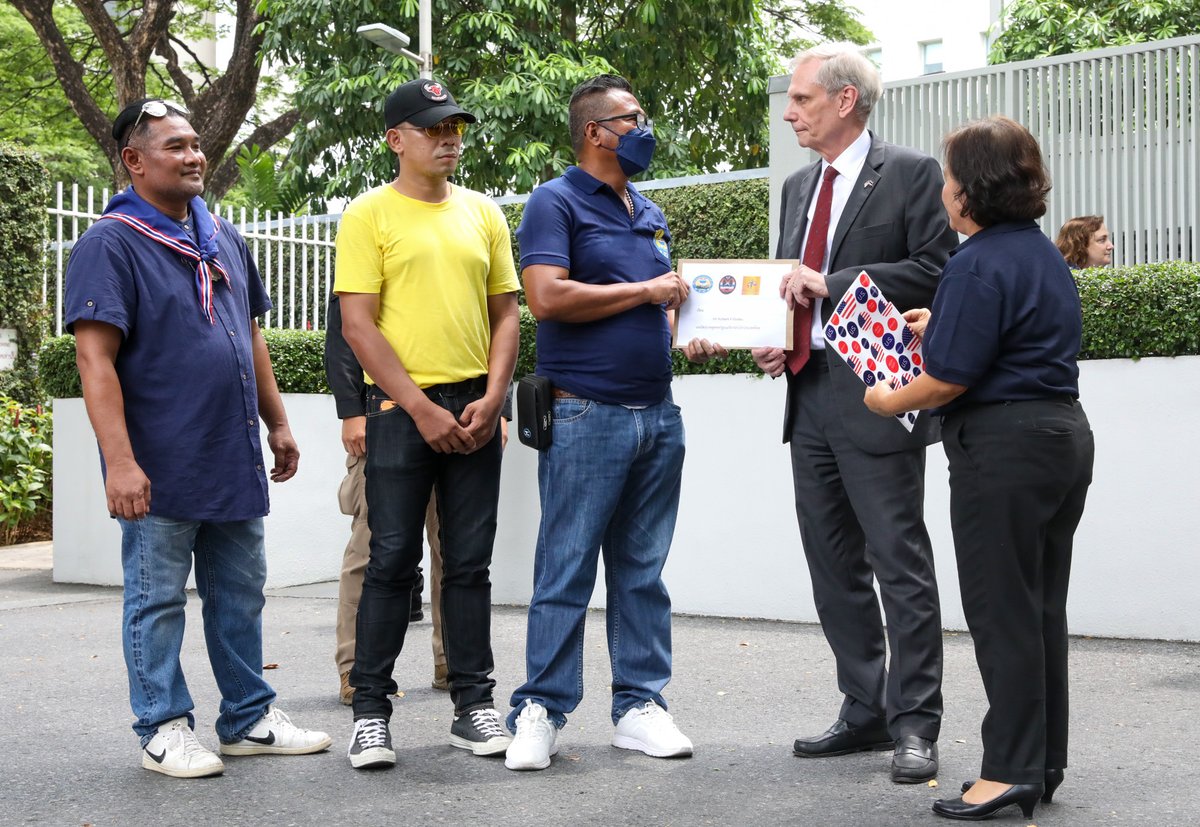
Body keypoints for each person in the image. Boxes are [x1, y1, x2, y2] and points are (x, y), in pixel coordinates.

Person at [65, 98, 331, 778]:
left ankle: (246, 717)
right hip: (158, 461)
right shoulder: (110, 243)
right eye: (176, 146)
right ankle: (162, 725)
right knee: (155, 599)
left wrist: (278, 422)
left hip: (230, 453)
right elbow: (95, 361)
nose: (194, 156)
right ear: (134, 160)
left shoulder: (225, 238)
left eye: (195, 145)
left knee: (240, 593)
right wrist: (119, 462)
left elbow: (248, 335)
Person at [864, 115, 1095, 821]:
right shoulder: (1034, 253)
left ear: (972, 192)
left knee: (1001, 612)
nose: (944, 190)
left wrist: (884, 397)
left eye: (950, 177)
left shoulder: (975, 260)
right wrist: (944, 319)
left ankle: (1010, 769)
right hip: (1061, 436)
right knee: (1039, 606)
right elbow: (1010, 330)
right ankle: (1042, 759)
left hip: (1002, 450)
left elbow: (945, 382)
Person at [755, 43, 958, 783]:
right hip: (806, 397)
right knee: (832, 564)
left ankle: (915, 724)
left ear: (845, 100)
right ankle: (864, 708)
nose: (790, 112)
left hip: (879, 398)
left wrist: (833, 281)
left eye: (801, 100)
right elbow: (788, 285)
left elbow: (938, 269)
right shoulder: (795, 186)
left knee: (899, 562)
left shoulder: (910, 174)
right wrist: (780, 342)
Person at [504, 74, 694, 772]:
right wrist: (647, 290)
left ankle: (640, 705)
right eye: (631, 118)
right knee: (567, 565)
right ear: (595, 132)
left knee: (643, 571)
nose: (643, 127)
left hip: (657, 416)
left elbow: (662, 307)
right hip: (586, 411)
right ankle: (540, 710)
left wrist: (682, 326)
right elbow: (547, 296)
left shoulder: (647, 208)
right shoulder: (553, 203)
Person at [334, 78, 520, 770]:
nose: (448, 139)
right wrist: (418, 406)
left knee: (469, 566)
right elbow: (357, 324)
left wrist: (495, 394)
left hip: (475, 405)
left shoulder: (484, 213)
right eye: (433, 128)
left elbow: (506, 311)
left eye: (455, 128)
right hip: (400, 410)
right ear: (396, 139)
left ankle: (473, 705)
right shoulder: (368, 216)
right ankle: (372, 712)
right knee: (390, 562)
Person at [325, 294, 513, 703]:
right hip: (386, 412)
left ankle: (452, 663)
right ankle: (356, 671)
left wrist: (501, 407)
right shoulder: (373, 229)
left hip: (463, 413)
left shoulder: (473, 230)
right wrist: (351, 410)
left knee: (458, 552)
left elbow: (493, 318)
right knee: (374, 549)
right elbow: (347, 327)